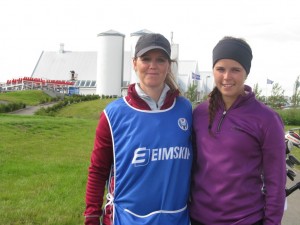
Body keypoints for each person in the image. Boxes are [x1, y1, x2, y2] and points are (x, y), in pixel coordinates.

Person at [84, 33, 193, 225]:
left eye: (160, 60)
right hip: (126, 219)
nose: (153, 65)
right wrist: (92, 215)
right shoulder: (114, 114)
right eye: (146, 59)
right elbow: (98, 170)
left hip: (176, 219)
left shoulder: (185, 109)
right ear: (134, 63)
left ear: (168, 65)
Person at [189, 36, 286, 225]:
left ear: (246, 73)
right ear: (213, 71)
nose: (227, 77)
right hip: (198, 219)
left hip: (246, 220)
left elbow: (276, 183)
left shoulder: (267, 119)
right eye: (220, 69)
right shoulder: (199, 113)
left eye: (235, 70)